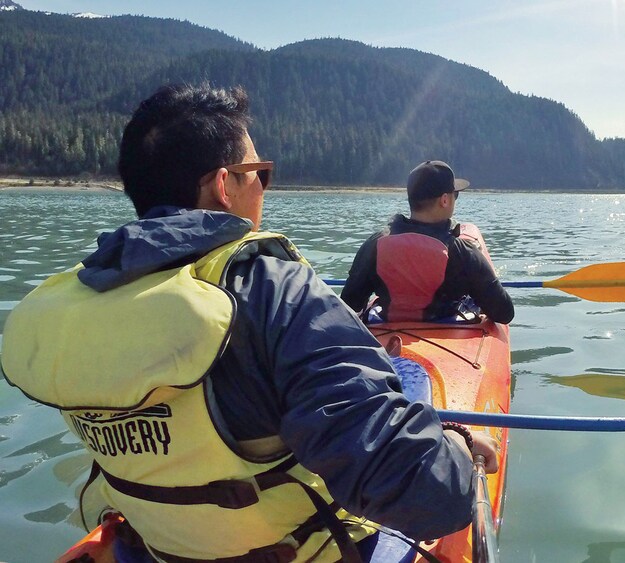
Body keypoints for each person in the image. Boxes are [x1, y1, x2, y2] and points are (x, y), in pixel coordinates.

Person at [0, 84, 499, 563]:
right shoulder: (276, 292)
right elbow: (430, 496)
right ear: (225, 185)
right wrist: (454, 446)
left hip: (160, 546)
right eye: (259, 172)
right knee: (409, 378)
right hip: (301, 550)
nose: (264, 186)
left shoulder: (76, 302)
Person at [341, 160, 515, 324]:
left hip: (388, 329)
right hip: (446, 329)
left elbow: (350, 305)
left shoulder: (375, 244)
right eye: (455, 195)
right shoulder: (462, 252)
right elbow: (504, 313)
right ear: (445, 200)